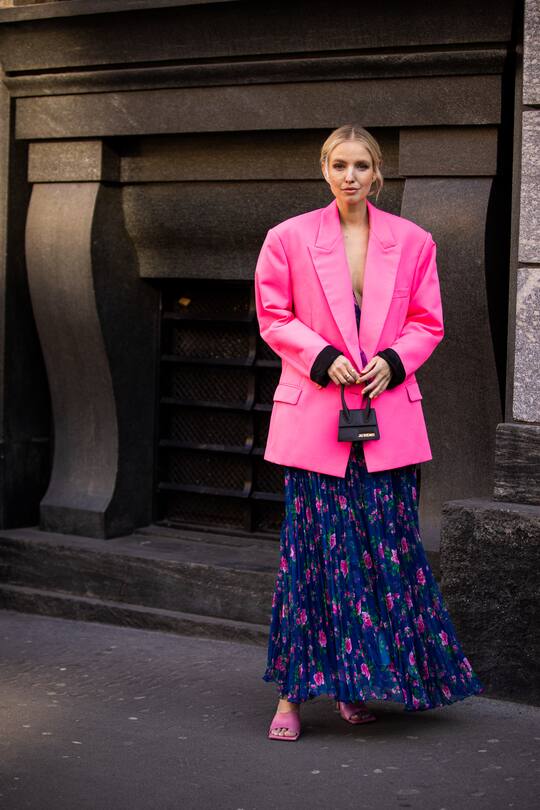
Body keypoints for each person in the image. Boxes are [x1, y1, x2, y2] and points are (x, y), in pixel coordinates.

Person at [254, 124, 485, 742]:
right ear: (324, 169)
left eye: (361, 165)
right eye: (339, 164)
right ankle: (291, 697)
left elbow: (426, 322)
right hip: (315, 423)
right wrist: (322, 355)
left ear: (377, 172)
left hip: (388, 425)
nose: (350, 175)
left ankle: (357, 684)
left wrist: (396, 359)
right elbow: (273, 316)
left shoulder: (413, 241)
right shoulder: (289, 238)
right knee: (312, 560)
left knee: (383, 554)